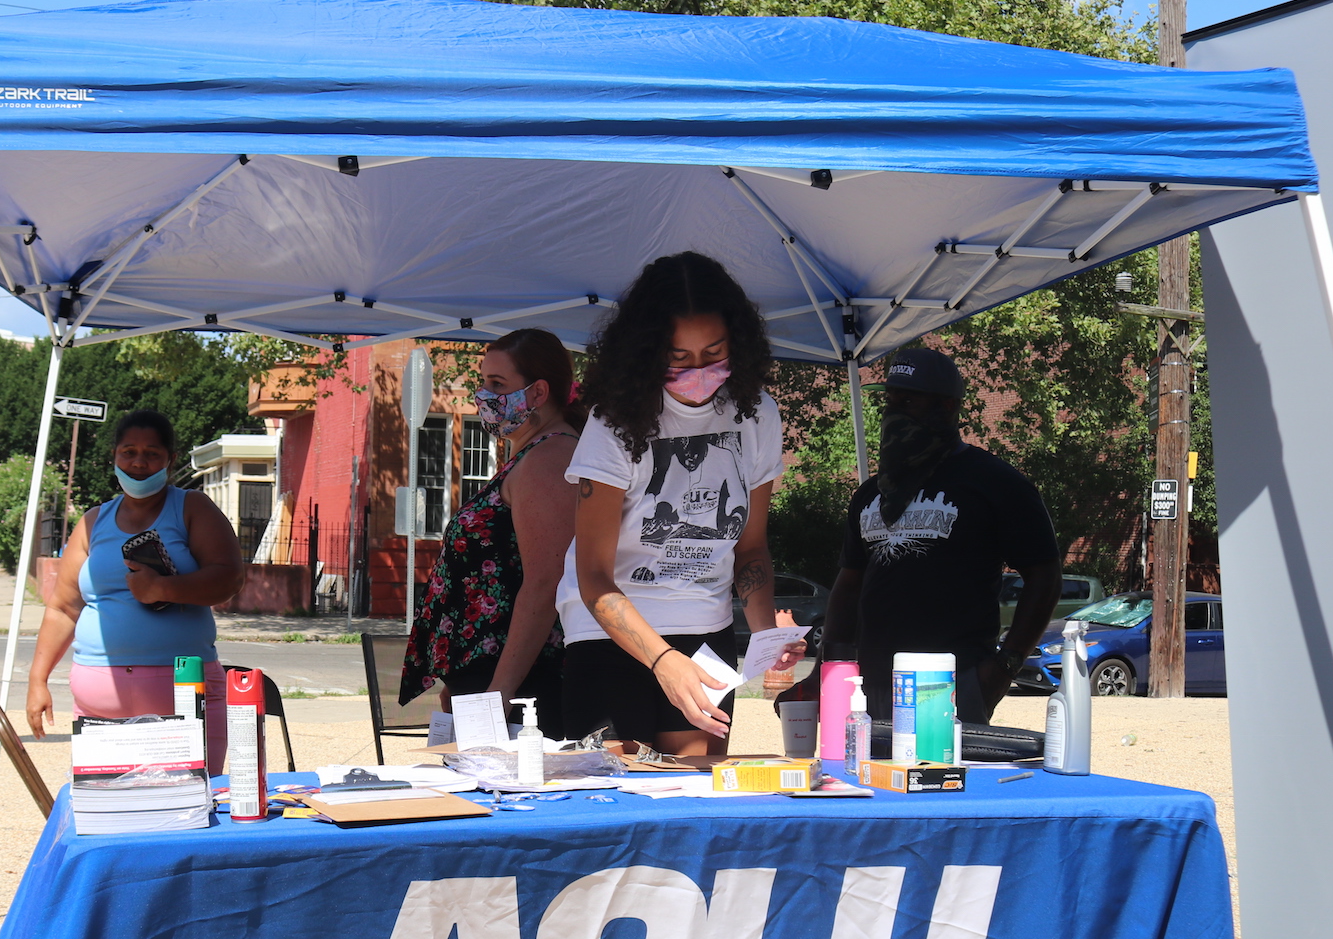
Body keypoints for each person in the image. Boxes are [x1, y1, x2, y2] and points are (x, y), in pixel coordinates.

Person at [556, 252, 801, 755]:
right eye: (679, 358)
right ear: (648, 352)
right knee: (615, 796)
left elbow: (750, 551)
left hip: (705, 631)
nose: (699, 371)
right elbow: (594, 578)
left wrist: (766, 636)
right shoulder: (615, 421)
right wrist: (663, 660)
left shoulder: (756, 414)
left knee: (692, 795)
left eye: (714, 354)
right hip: (610, 632)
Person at [821, 346, 1061, 723]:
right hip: (867, 686)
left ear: (947, 407)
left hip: (950, 683)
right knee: (866, 781)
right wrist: (827, 670)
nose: (894, 411)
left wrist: (1002, 669)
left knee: (941, 782)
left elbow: (1044, 576)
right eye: (890, 400)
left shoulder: (994, 482)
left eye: (909, 400)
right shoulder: (870, 494)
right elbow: (849, 585)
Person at [26, 409, 245, 772]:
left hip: (184, 697)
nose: (139, 462)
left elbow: (229, 579)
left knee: (189, 813)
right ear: (114, 456)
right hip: (97, 704)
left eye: (152, 453)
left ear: (170, 460)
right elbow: (63, 608)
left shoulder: (191, 508)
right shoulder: (93, 521)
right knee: (108, 816)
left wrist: (163, 587)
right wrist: (37, 680)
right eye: (129, 452)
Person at [399, 330, 583, 736]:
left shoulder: (549, 458)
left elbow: (544, 583)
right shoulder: (529, 455)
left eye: (497, 385)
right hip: (489, 679)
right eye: (484, 382)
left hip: (522, 688)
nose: (483, 396)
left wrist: (499, 692)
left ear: (537, 393)